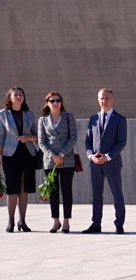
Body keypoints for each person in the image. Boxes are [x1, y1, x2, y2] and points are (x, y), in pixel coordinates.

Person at [83, 88, 127, 234]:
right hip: (95, 164)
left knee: (117, 194)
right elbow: (88, 141)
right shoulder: (93, 119)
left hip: (112, 163)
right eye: (101, 98)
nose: (104, 101)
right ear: (98, 100)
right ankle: (96, 224)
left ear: (112, 99)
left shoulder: (119, 119)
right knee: (96, 195)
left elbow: (121, 142)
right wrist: (91, 156)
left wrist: (107, 157)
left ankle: (119, 224)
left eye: (107, 98)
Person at [38, 91, 78, 233]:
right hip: (50, 161)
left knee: (66, 190)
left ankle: (66, 220)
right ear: (47, 103)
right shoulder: (43, 120)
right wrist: (52, 156)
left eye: (58, 100)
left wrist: (61, 154)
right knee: (52, 191)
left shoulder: (69, 117)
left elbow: (73, 138)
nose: (55, 103)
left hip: (66, 159)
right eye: (52, 100)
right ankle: (56, 221)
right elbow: (42, 142)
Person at [0, 87, 38, 233]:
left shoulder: (30, 114)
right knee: (12, 189)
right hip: (10, 155)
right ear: (9, 98)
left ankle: (22, 221)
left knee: (24, 188)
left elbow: (38, 136)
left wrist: (28, 138)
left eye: (21, 94)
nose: (19, 96)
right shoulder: (3, 114)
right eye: (15, 95)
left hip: (27, 154)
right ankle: (11, 221)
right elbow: (1, 137)